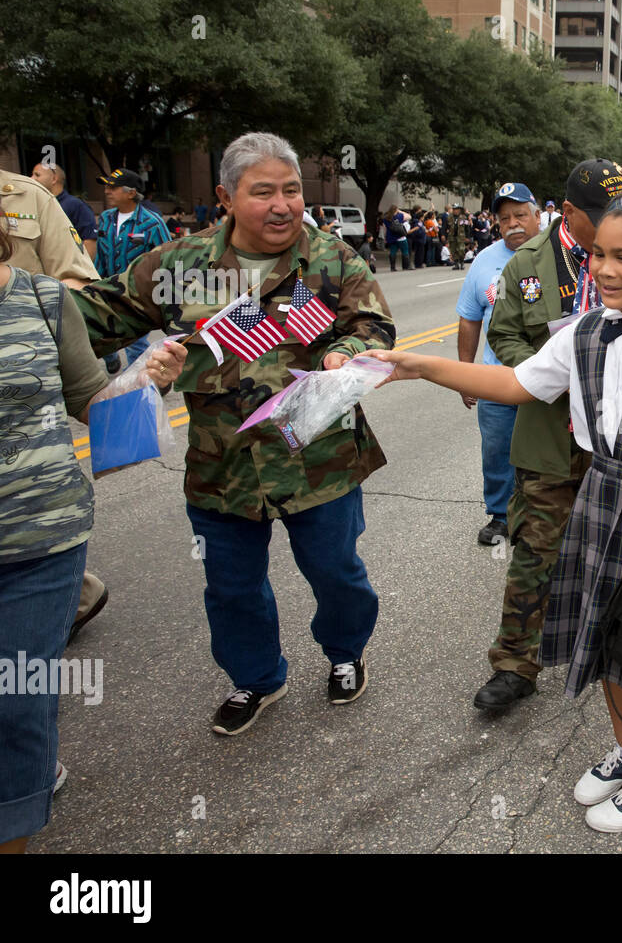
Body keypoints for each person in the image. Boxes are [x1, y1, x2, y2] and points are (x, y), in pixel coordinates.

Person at [362, 187, 622, 833]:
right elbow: (516, 384)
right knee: (607, 642)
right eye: (598, 253)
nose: (603, 269)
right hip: (603, 500)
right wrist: (419, 367)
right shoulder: (586, 331)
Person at [71, 131, 397, 736]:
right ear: (224, 196)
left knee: (337, 573)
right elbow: (95, 318)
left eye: (292, 190)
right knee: (231, 587)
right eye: (263, 192)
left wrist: (346, 353)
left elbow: (376, 327)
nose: (282, 205)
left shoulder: (332, 260)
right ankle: (257, 677)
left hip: (318, 459)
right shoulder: (178, 265)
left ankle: (346, 651)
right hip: (222, 469)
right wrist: (32, 304)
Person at [0, 221, 186, 853]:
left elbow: (91, 400)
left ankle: (20, 802)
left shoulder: (43, 299)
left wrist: (148, 377)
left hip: (37, 542)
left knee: (17, 706)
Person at [454, 160, 622, 714]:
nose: (613, 226)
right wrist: (546, 373)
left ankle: (619, 650)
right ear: (570, 212)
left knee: (621, 549)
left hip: (621, 438)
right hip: (551, 432)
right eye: (601, 217)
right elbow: (502, 333)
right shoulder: (527, 263)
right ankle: (514, 664)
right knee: (534, 549)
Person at [0, 168, 114, 641]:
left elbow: (77, 281)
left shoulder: (28, 198)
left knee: (20, 710)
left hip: (36, 530)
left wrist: (143, 386)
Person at [455, 183, 542, 546]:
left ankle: (544, 515)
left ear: (538, 215)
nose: (513, 224)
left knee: (546, 452)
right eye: (504, 218)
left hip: (546, 380)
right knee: (497, 451)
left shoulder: (557, 255)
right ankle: (501, 516)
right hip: (497, 379)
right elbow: (469, 318)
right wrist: (465, 374)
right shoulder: (484, 261)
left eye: (521, 215)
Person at [93, 168, 172, 374]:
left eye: (113, 187)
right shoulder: (106, 218)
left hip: (137, 294)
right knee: (99, 329)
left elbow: (167, 257)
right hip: (106, 287)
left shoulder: (152, 222)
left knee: (135, 343)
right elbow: (100, 255)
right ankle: (111, 357)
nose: (107, 191)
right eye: (106, 187)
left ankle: (139, 383)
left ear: (130, 193)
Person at [29, 162, 97, 263]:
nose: (31, 178)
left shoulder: (75, 205)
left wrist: (84, 274)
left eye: (37, 175)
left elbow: (89, 241)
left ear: (54, 179)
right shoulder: (38, 204)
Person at [383, 205, 411, 271]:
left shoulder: (386, 218)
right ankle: (406, 266)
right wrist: (400, 211)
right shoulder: (399, 216)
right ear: (396, 210)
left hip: (391, 237)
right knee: (405, 251)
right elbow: (409, 216)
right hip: (401, 237)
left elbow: (385, 228)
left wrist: (385, 237)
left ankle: (392, 267)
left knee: (393, 252)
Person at [446, 205, 472, 270]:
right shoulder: (449, 217)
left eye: (457, 209)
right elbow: (445, 226)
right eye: (454, 209)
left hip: (461, 236)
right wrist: (444, 235)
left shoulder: (463, 217)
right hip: (452, 236)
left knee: (461, 250)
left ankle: (462, 262)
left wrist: (468, 237)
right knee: (453, 250)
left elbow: (467, 228)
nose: (455, 211)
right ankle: (456, 264)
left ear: (459, 210)